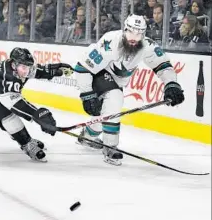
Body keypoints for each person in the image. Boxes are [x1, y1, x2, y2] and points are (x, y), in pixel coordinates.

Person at [74, 14, 185, 166]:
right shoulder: (110, 41)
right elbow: (83, 68)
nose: (134, 37)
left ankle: (88, 136)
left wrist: (171, 83)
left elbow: (163, 64)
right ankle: (110, 146)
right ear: (125, 30)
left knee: (107, 112)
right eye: (131, 32)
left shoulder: (147, 46)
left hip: (116, 81)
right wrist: (86, 93)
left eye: (139, 33)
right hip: (95, 74)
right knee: (115, 98)